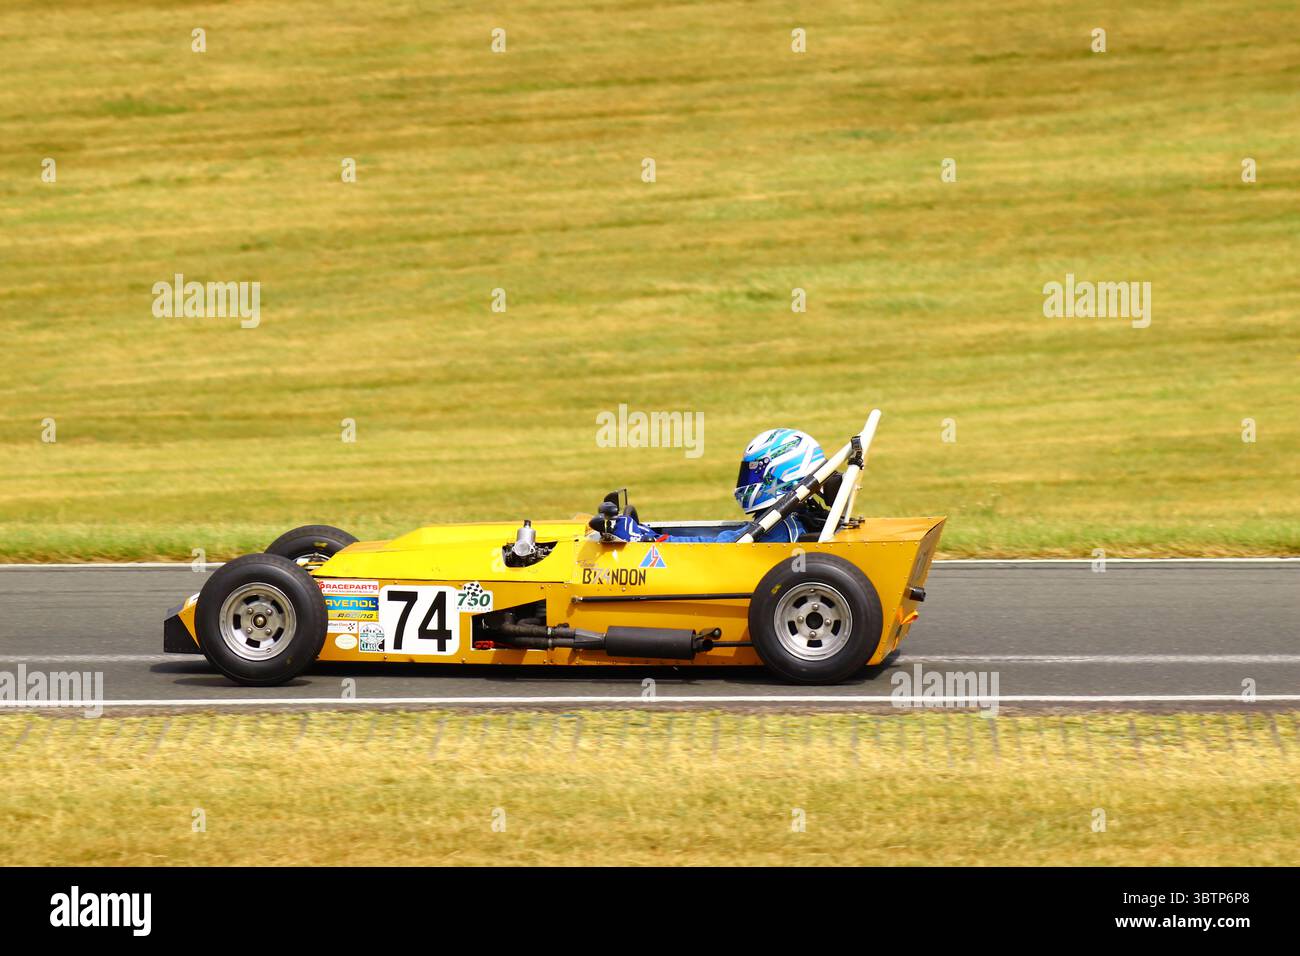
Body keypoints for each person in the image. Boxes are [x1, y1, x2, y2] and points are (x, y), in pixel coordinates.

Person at [602, 428, 829, 543]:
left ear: (780, 475)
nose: (747, 481)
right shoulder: (795, 519)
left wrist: (650, 539)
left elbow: (716, 549)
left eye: (753, 472)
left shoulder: (778, 528)